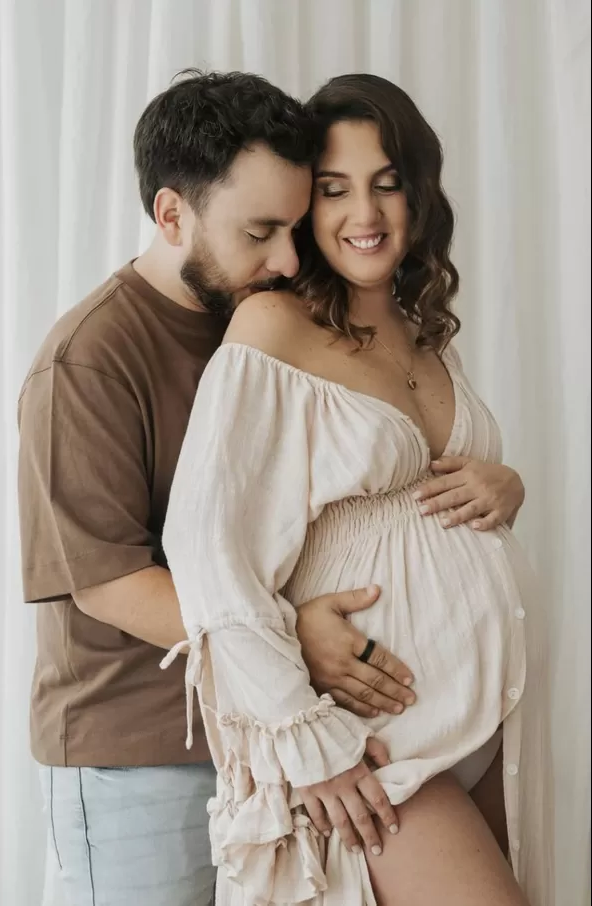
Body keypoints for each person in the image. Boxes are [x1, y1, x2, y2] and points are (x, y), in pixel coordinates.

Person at [18, 70, 526, 906]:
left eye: (294, 225)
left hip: (276, 722)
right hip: (139, 742)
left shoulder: (278, 305)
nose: (289, 256)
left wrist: (500, 483)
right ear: (172, 214)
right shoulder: (92, 358)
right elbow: (107, 578)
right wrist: (295, 654)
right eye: (263, 230)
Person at [162, 74, 554, 906]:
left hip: (482, 728)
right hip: (379, 743)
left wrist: (506, 482)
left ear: (418, 195)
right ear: (306, 207)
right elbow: (206, 546)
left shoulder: (425, 330)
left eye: (386, 185)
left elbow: (431, 487)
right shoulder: (272, 328)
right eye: (334, 190)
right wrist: (311, 744)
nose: (364, 214)